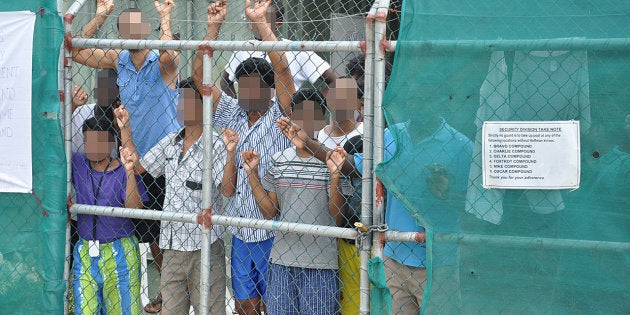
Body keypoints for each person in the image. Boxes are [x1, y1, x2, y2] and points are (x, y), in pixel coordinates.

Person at [276, 111, 473, 313]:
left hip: (437, 262)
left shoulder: (460, 145)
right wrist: (308, 143)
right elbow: (353, 165)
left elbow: (474, 207)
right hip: (393, 257)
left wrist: (448, 194)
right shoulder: (392, 135)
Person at [72, 2, 181, 310]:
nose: (133, 31)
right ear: (120, 34)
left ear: (147, 30)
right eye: (126, 27)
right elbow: (76, 51)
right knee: (140, 232)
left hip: (164, 163)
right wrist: (101, 14)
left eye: (138, 25)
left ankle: (168, 294)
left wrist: (164, 17)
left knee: (167, 236)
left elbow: (172, 57)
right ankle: (138, 288)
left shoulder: (160, 60)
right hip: (134, 163)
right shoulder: (118, 59)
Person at [191, 1, 296, 313]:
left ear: (269, 91)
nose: (247, 93)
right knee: (244, 305)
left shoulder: (281, 113)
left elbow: (282, 69)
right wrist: (213, 29)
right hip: (239, 231)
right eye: (242, 87)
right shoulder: (232, 113)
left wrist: (262, 23)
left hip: (272, 231)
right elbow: (200, 79)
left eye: (254, 87)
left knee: (276, 304)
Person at [116, 78, 228, 314]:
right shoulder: (171, 142)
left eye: (188, 101)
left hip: (204, 247)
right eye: (179, 102)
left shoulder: (216, 145)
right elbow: (139, 166)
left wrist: (232, 153)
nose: (181, 107)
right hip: (173, 247)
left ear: (203, 105)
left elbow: (227, 189)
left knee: (210, 310)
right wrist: (125, 127)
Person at [240, 98, 350, 314]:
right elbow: (269, 211)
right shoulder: (279, 159)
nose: (305, 120)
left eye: (311, 114)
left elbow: (337, 217)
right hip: (281, 260)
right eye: (299, 114)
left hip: (321, 264)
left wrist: (335, 176)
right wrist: (252, 173)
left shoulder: (333, 158)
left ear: (321, 120)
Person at [71, 116, 147, 314]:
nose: (92, 147)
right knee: (85, 310)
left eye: (98, 141)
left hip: (120, 251)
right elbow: (52, 145)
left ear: (110, 143)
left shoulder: (123, 169)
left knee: (122, 310)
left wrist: (130, 171)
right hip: (86, 250)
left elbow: (135, 208)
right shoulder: (79, 164)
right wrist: (70, 105)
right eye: (88, 141)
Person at [219, 0, 336, 98]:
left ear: (278, 23)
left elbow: (336, 82)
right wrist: (237, 109)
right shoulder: (244, 48)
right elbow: (225, 81)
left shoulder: (296, 50)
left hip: (284, 117)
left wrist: (315, 106)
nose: (256, 22)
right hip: (254, 118)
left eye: (263, 18)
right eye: (253, 17)